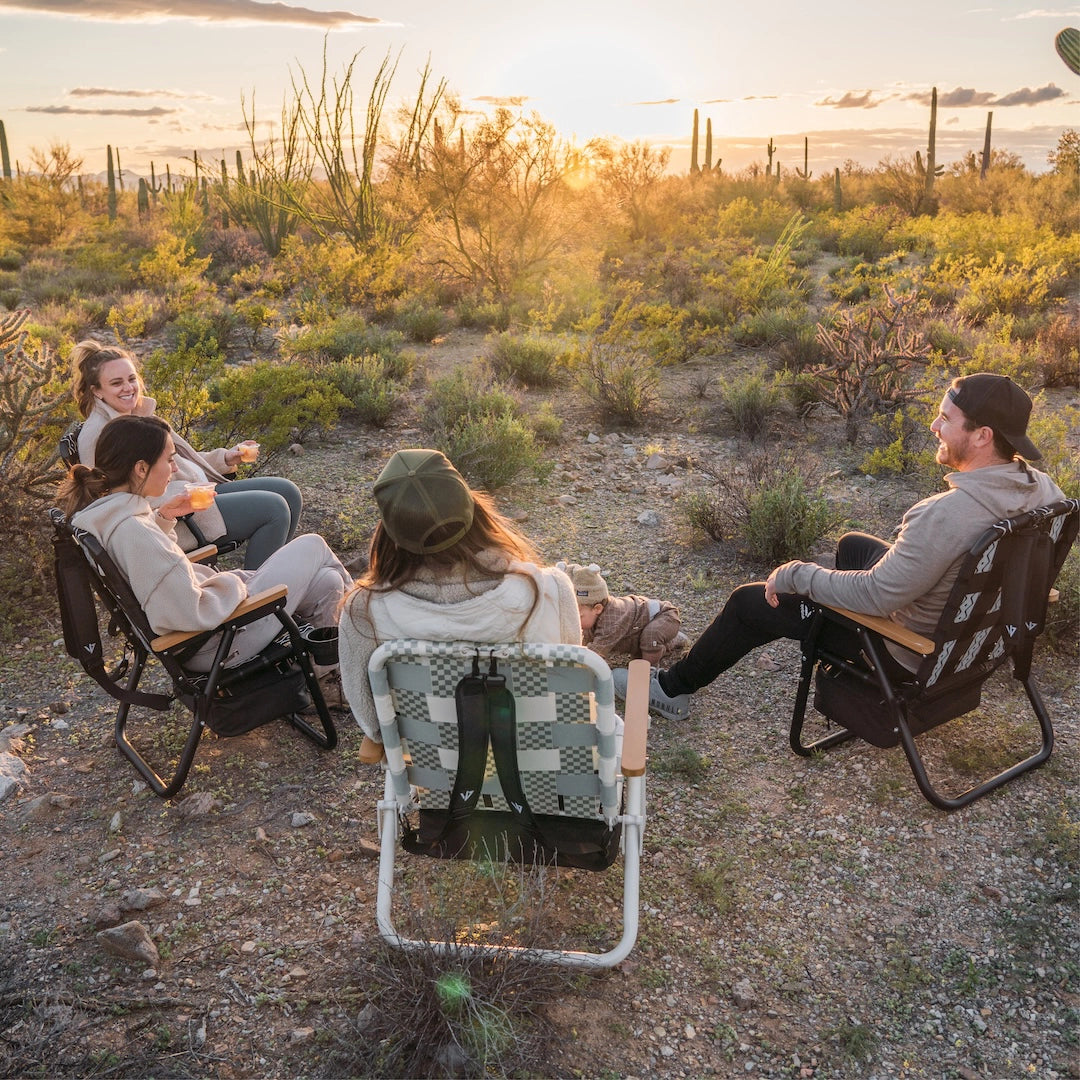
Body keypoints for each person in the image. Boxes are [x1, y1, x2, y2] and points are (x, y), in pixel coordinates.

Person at [614, 373, 1064, 721]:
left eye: (946, 419)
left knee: (749, 601)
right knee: (852, 546)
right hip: (971, 640)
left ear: (983, 435)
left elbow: (876, 596)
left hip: (906, 651)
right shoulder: (1046, 493)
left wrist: (799, 576)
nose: (934, 426)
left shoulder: (948, 514)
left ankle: (672, 691)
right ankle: (818, 605)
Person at [58, 414, 351, 705]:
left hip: (212, 635)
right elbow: (189, 611)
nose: (174, 469)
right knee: (313, 545)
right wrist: (233, 583)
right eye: (169, 460)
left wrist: (164, 518)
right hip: (220, 642)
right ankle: (369, 640)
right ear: (140, 468)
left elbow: (149, 569)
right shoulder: (134, 531)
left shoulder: (113, 515)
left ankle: (323, 681)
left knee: (329, 582)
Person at [338, 448, 581, 762]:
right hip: (547, 777)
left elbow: (374, 725)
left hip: (442, 785)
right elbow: (571, 694)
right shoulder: (549, 589)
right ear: (473, 507)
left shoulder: (364, 611)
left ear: (390, 534)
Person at [71, 339, 302, 569]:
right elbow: (109, 499)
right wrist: (176, 503)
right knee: (274, 509)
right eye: (116, 383)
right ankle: (260, 592)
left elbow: (173, 460)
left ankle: (272, 578)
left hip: (196, 494)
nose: (129, 388)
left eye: (132, 379)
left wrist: (224, 458)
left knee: (288, 492)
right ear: (97, 391)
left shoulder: (133, 415)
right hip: (179, 518)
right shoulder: (99, 434)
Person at [557, 561, 687, 665]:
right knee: (640, 648)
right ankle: (669, 643)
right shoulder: (593, 615)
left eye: (579, 617)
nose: (575, 622)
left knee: (649, 643)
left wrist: (569, 660)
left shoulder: (611, 621)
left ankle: (650, 672)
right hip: (636, 628)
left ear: (597, 609)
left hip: (663, 616)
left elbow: (594, 654)